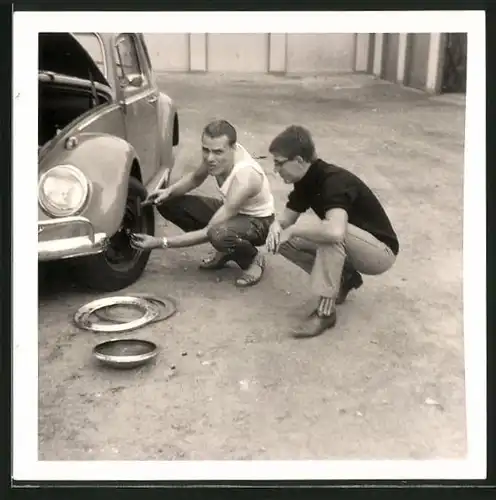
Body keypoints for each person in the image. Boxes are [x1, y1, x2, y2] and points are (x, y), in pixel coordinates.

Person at [266, 125, 399, 338]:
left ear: (299, 161)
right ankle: (344, 278)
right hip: (355, 244)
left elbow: (335, 232)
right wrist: (276, 226)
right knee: (283, 240)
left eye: (279, 163)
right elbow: (286, 220)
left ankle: (325, 313)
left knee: (330, 233)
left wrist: (295, 229)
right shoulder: (305, 181)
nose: (275, 170)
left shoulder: (333, 181)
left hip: (380, 253)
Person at [130, 119, 275, 287]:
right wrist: (168, 192)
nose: (210, 158)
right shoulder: (215, 157)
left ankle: (253, 259)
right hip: (231, 211)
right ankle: (227, 250)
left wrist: (160, 243)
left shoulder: (245, 176)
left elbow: (208, 231)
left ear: (233, 148)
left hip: (259, 223)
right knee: (167, 202)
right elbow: (195, 178)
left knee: (218, 234)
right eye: (205, 150)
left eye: (218, 152)